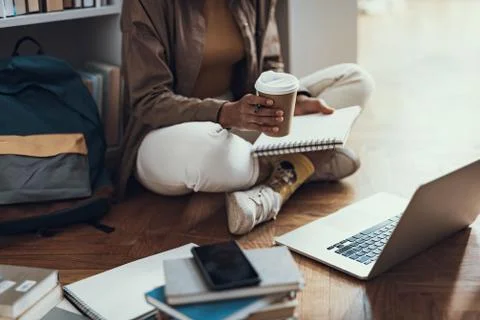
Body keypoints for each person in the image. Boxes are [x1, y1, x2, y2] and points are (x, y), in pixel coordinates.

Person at [117, 0, 375, 235]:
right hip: (170, 133)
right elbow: (148, 101)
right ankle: (310, 160)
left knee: (355, 78)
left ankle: (274, 190)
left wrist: (291, 100)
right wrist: (224, 113)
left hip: (243, 118)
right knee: (209, 151)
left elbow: (269, 65)